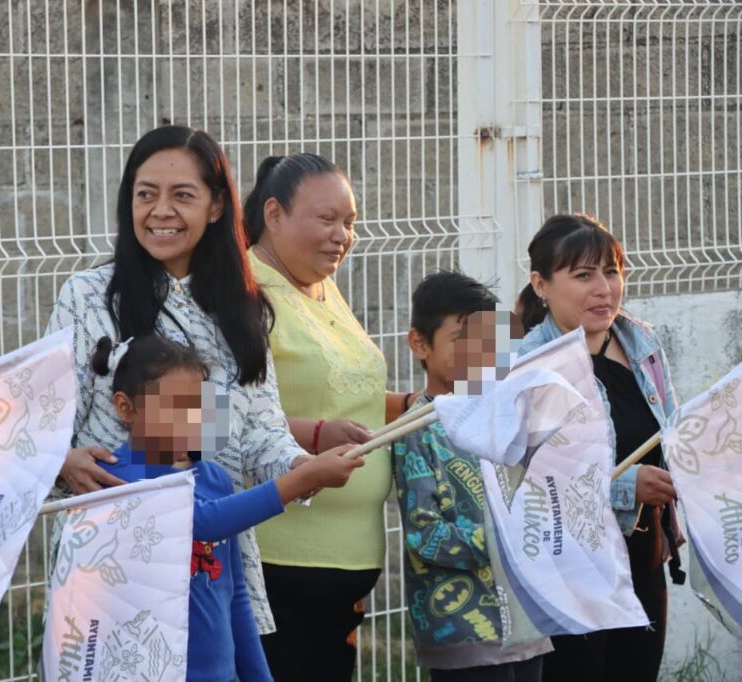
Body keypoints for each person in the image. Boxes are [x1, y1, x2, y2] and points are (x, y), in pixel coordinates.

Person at [46, 125, 311, 635]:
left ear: (215, 207)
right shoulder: (87, 297)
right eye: (146, 195)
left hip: (210, 561)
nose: (161, 211)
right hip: (111, 554)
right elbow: (46, 424)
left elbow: (256, 429)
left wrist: (301, 464)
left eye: (182, 195)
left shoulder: (240, 308)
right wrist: (64, 462)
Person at [55, 334, 364, 680]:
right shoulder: (116, 479)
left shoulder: (214, 479)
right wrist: (304, 478)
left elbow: (236, 598)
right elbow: (202, 522)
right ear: (125, 408)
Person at [242, 153, 411, 679]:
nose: (341, 234)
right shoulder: (243, 292)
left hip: (347, 567)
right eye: (326, 219)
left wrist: (413, 406)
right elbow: (213, 412)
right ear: (274, 214)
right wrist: (314, 434)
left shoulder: (320, 284)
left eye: (350, 222)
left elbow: (343, 385)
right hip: (283, 562)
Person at [516, 214, 682, 682]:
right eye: (583, 275)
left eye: (612, 272)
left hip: (643, 556)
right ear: (541, 284)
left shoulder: (641, 342)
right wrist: (626, 486)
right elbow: (531, 479)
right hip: (570, 568)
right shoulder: (530, 365)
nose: (604, 288)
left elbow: (668, 431)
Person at [393, 271, 552, 682]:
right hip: (463, 635)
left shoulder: (508, 419)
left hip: (526, 623)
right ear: (419, 343)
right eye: (463, 338)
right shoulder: (416, 429)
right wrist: (506, 542)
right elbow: (425, 533)